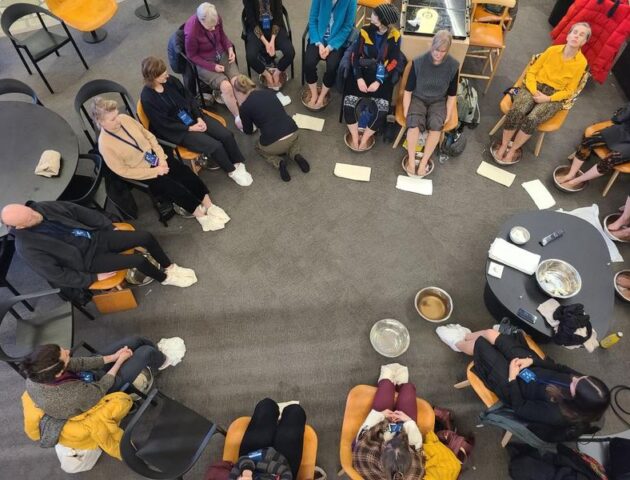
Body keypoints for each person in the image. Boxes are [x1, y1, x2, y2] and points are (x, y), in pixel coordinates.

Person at [436, 324, 610, 442]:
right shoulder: (580, 381)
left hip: (514, 388)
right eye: (580, 377)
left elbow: (520, 407)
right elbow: (559, 367)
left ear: (575, 399)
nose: (574, 378)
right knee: (490, 334)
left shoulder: (556, 414)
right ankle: (466, 335)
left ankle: (458, 343)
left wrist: (512, 378)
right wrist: (531, 362)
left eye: (575, 383)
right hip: (530, 369)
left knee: (480, 346)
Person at [93, 97, 230, 232]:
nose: (118, 120)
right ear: (101, 122)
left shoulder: (125, 119)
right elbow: (123, 171)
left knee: (185, 173)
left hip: (155, 157)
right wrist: (156, 171)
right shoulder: (105, 145)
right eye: (112, 119)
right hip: (143, 171)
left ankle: (209, 205)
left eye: (117, 115)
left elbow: (149, 137)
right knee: (173, 188)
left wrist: (161, 158)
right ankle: (200, 215)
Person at [1, 201, 196, 289]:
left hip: (96, 237)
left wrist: (108, 226)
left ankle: (170, 267)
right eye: (30, 218)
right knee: (137, 260)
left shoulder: (40, 208)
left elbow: (78, 212)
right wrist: (91, 278)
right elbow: (56, 275)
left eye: (30, 211)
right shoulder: (27, 248)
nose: (36, 214)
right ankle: (164, 278)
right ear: (19, 226)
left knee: (145, 236)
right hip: (88, 260)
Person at [140, 56, 253, 187]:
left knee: (227, 135)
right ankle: (231, 170)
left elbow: (189, 98)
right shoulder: (148, 98)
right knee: (215, 146)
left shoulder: (170, 80)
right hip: (179, 130)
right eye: (162, 74)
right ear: (152, 78)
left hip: (192, 116)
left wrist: (198, 117)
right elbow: (163, 124)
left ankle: (237, 162)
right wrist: (190, 128)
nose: (166, 74)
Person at [494, 22, 590, 164]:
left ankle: (513, 149)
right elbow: (532, 71)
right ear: (568, 35)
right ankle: (504, 145)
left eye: (581, 35)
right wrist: (534, 91)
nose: (576, 36)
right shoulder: (552, 50)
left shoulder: (581, 63)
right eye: (575, 32)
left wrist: (548, 98)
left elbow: (569, 91)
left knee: (532, 118)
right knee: (518, 110)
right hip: (534, 86)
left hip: (554, 96)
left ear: (584, 42)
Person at [20, 336, 172, 419]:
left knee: (135, 341)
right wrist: (119, 361)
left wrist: (113, 357)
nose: (68, 351)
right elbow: (102, 387)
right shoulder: (71, 395)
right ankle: (161, 362)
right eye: (66, 354)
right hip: (98, 393)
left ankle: (156, 357)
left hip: (84, 380)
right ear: (59, 373)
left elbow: (77, 363)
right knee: (145, 352)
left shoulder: (37, 373)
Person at [344, 3, 401, 151]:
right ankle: (355, 137)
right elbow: (355, 56)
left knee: (382, 110)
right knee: (348, 105)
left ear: (383, 21)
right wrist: (358, 78)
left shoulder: (395, 36)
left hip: (381, 76)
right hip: (362, 72)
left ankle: (366, 138)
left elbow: (394, 61)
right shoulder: (364, 31)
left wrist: (379, 81)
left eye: (376, 15)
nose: (372, 16)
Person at [353, 364, 425, 480]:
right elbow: (417, 447)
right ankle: (401, 385)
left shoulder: (366, 456)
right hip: (400, 429)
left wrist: (380, 415)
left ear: (383, 450)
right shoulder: (415, 471)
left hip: (378, 431)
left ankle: (389, 380)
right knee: (408, 389)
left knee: (386, 385)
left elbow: (364, 434)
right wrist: (407, 421)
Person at [233, 75, 310, 182]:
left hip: (272, 143)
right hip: (293, 131)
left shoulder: (244, 107)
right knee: (293, 141)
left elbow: (248, 131)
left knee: (258, 147)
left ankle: (279, 162)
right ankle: (295, 154)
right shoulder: (269, 93)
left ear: (239, 93)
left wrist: (242, 121)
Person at [403, 30, 458, 176]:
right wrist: (406, 112)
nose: (438, 54)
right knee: (413, 123)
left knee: (436, 126)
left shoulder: (453, 66)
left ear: (447, 50)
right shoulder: (419, 61)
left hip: (439, 100)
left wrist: (447, 114)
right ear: (431, 46)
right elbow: (408, 91)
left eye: (442, 51)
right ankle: (411, 159)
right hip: (418, 97)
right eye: (436, 50)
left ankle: (424, 161)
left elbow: (452, 95)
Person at [185, 2, 242, 128]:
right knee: (226, 86)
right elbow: (192, 56)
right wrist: (213, 67)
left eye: (214, 26)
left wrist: (229, 48)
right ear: (201, 20)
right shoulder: (191, 32)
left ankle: (247, 111)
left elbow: (222, 35)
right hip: (204, 62)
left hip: (220, 53)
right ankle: (238, 117)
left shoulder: (215, 18)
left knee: (238, 82)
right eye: (209, 27)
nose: (213, 29)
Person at [229, 398, 306, 480]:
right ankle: (279, 424)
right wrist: (253, 466)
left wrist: (247, 473)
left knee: (266, 406)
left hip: (253, 455)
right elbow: (285, 472)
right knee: (295, 412)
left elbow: (243, 460)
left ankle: (275, 418)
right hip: (284, 461)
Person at [558, 103, 630, 190]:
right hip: (625, 129)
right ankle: (571, 174)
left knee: (610, 160)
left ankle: (576, 181)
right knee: (589, 141)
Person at [304, 0, 357, 109]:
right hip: (318, 37)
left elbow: (347, 26)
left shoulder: (351, 1)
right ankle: (314, 94)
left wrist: (330, 47)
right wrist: (319, 44)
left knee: (332, 66)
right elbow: (313, 20)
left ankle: (322, 95)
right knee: (309, 63)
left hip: (336, 40)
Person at [243, 0, 295, 90]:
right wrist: (266, 43)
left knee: (290, 53)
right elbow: (251, 21)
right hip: (256, 28)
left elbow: (279, 16)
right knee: (250, 57)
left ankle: (277, 73)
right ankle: (266, 74)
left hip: (275, 26)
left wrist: (272, 40)